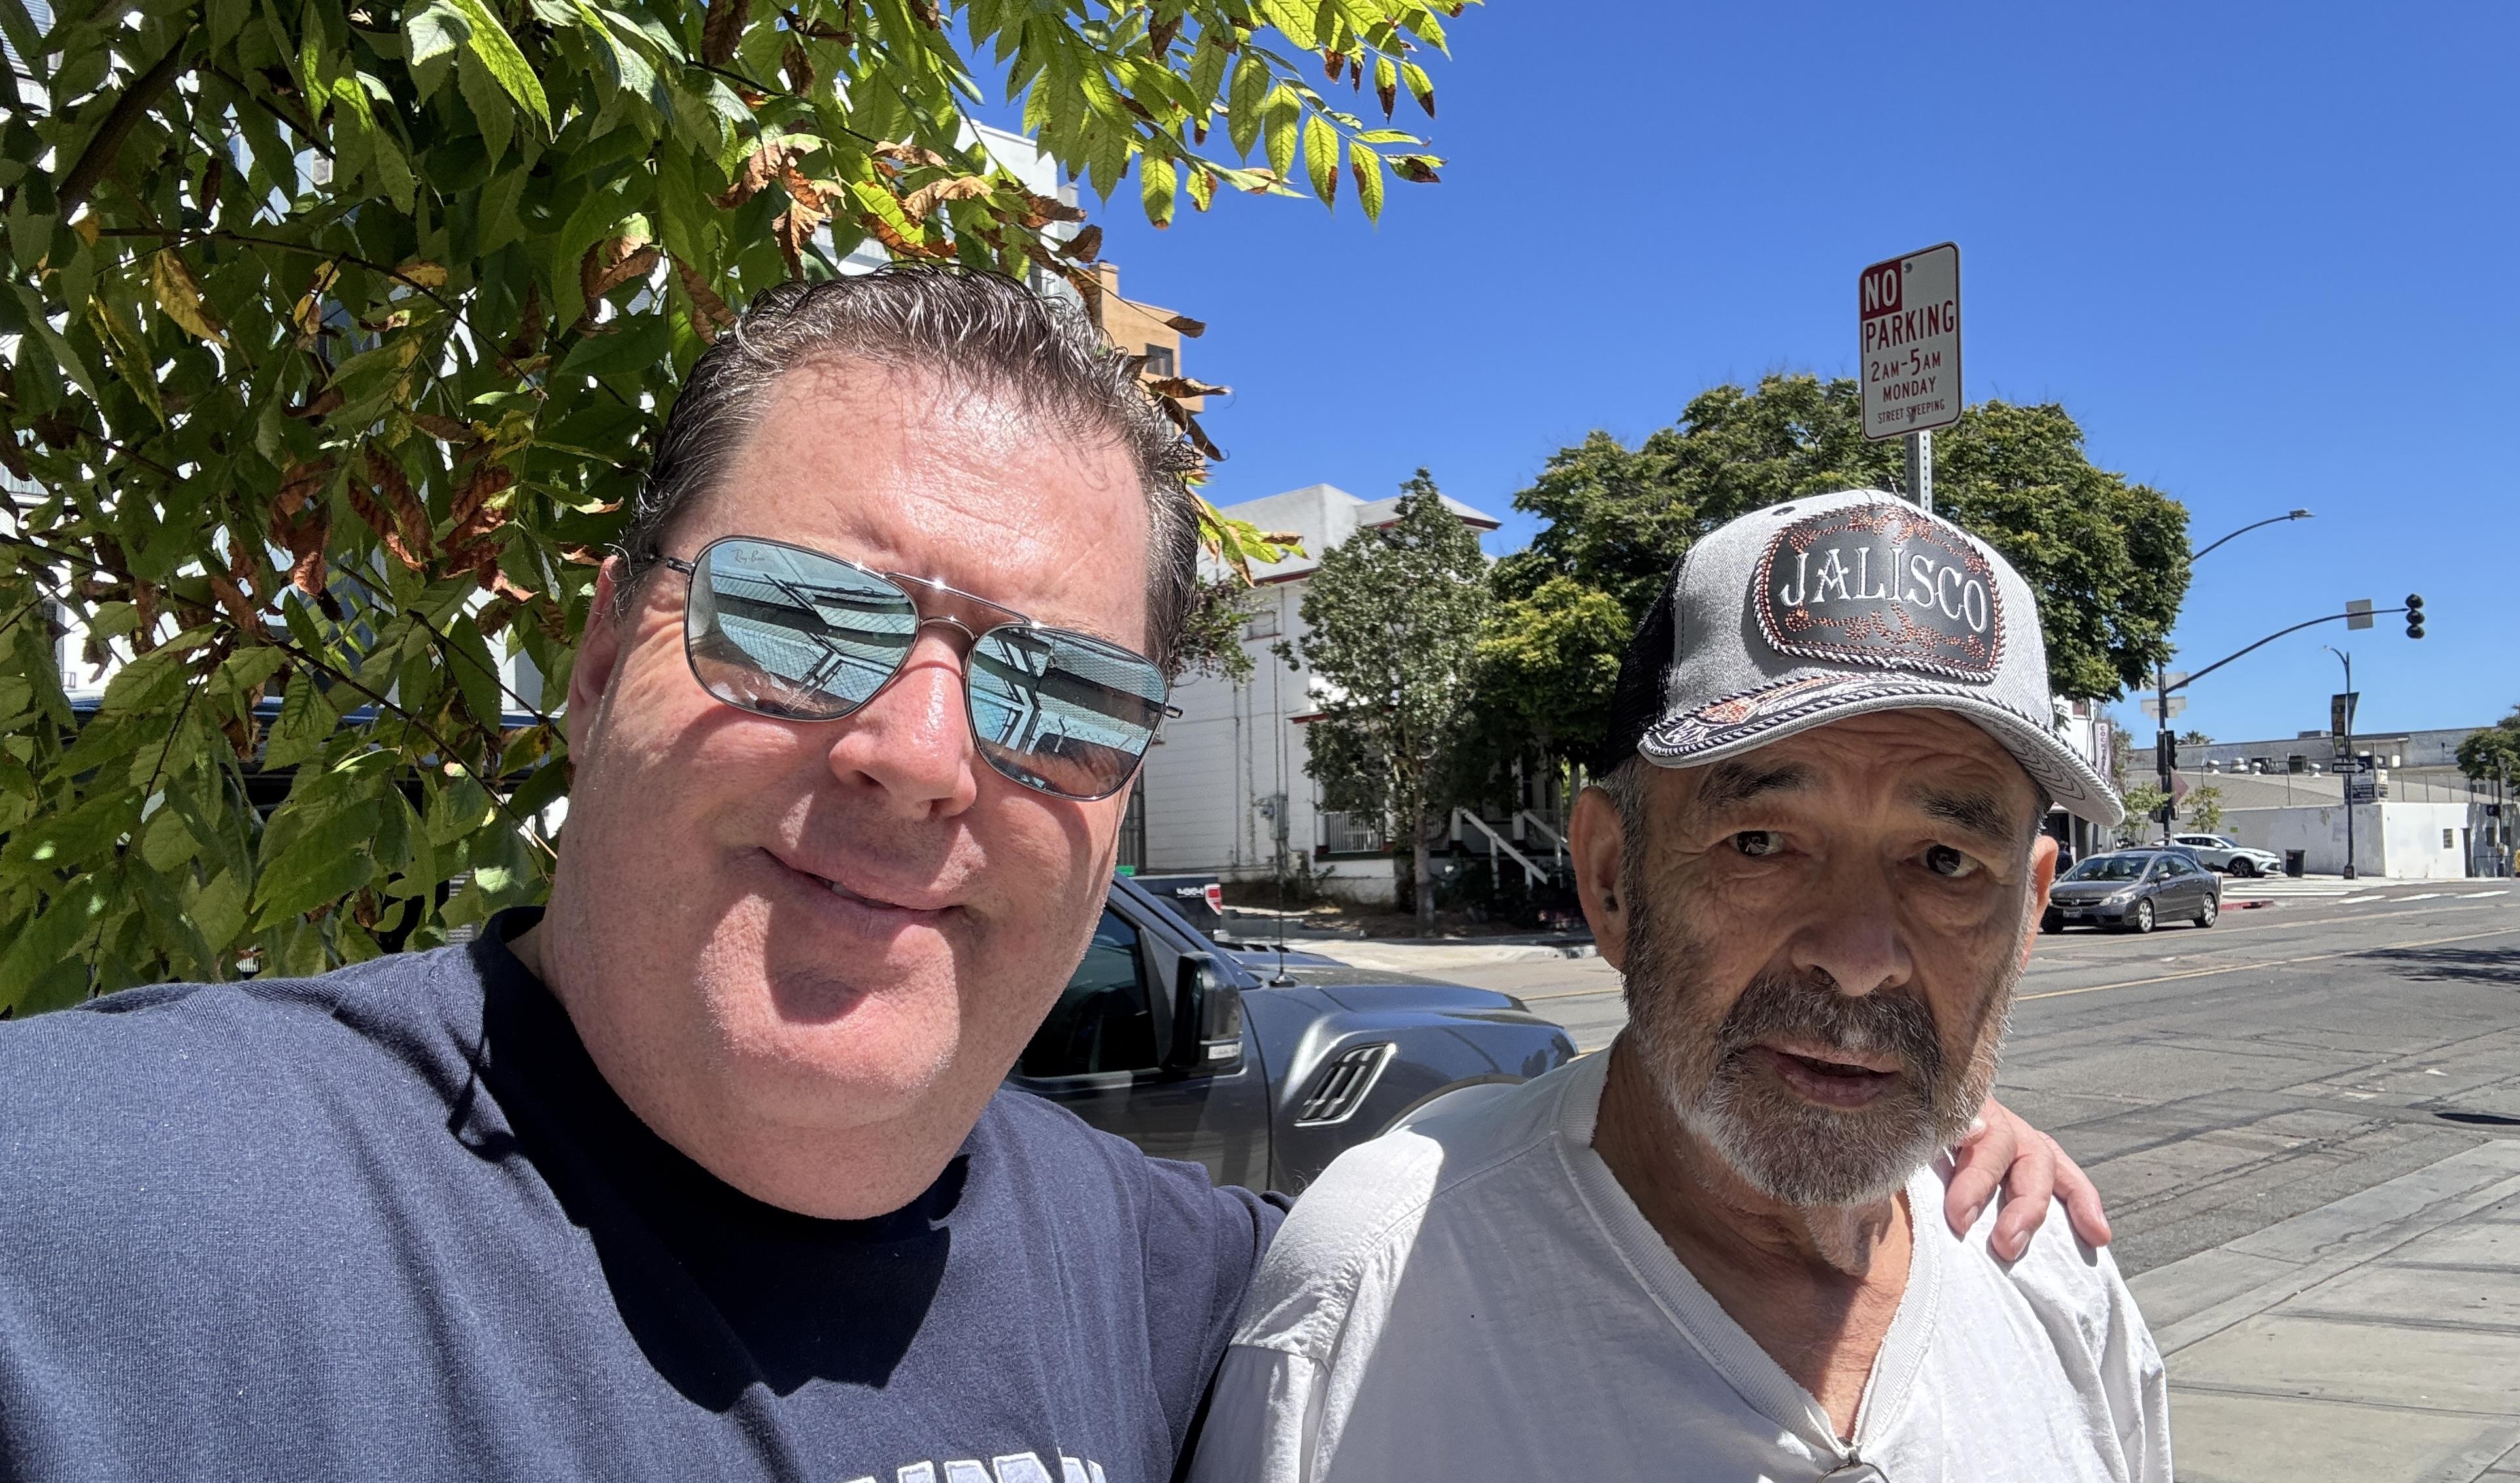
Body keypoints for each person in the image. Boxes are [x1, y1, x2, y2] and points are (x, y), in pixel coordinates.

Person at [0, 275, 2099, 1482]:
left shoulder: (1186, 1293)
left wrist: (1879, 1094)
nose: (920, 755)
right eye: (804, 622)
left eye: (1052, 689)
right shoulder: (117, 1228)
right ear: (594, 654)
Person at [1194, 492, 2170, 1481]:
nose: (1861, 956)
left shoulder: (2052, 1277)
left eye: (1947, 862)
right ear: (1613, 877)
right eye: (1761, 844)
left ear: (2030, 908)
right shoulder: (1375, 1300)